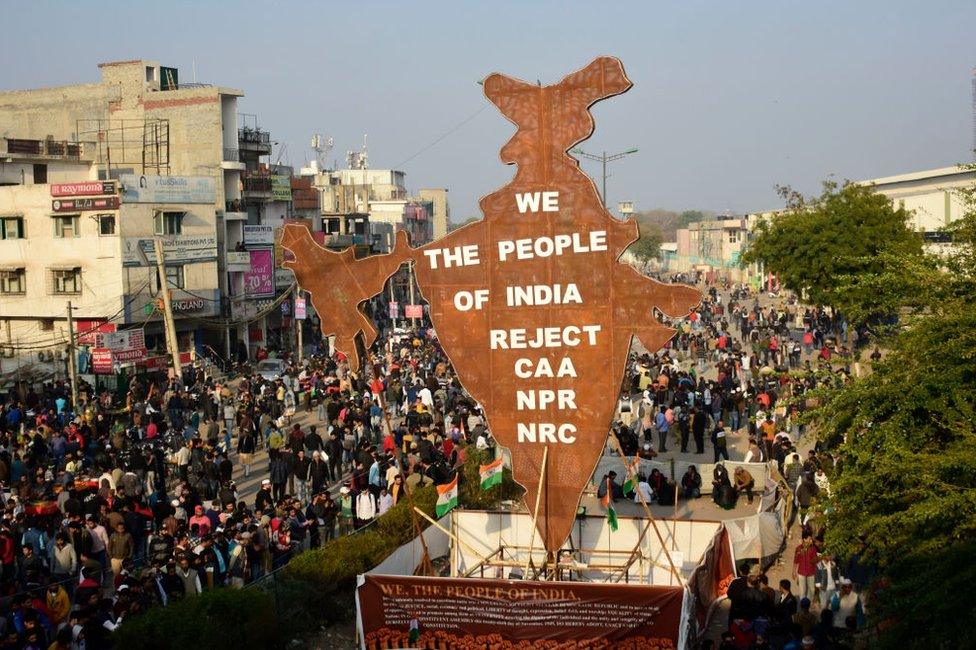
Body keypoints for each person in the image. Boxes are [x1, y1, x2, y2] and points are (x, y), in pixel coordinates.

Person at [792, 533, 818, 601]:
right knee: (802, 591)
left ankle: (808, 604)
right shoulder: (798, 549)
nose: (811, 541)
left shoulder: (813, 549)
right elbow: (796, 560)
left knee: (812, 590)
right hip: (801, 573)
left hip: (811, 572)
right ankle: (803, 606)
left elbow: (815, 560)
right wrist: (793, 571)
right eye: (809, 539)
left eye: (811, 539)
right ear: (804, 539)